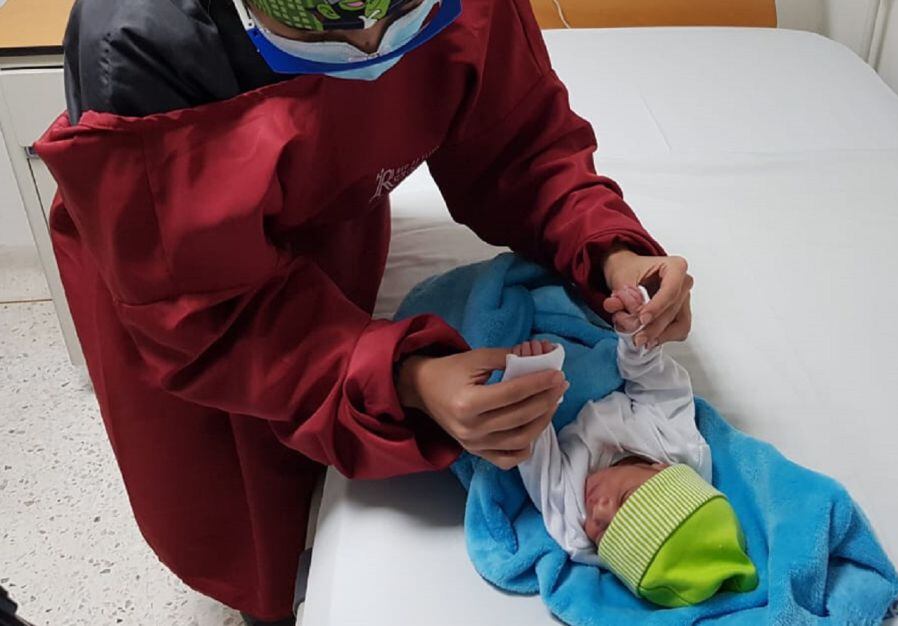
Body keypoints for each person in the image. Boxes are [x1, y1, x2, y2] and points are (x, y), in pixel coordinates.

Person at [37, 0, 694, 622]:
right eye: (324, 27)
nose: (370, 45)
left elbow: (519, 145)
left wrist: (607, 248)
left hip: (333, 220)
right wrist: (404, 376)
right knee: (248, 519)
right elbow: (208, 314)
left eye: (403, 13)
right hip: (181, 278)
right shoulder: (141, 48)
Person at [514, 288, 756, 607]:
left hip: (558, 412)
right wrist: (635, 337)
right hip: (610, 383)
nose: (598, 511)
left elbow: (537, 460)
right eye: (625, 499)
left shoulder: (573, 528)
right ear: (660, 469)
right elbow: (659, 386)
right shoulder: (678, 446)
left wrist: (531, 388)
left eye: (604, 533)